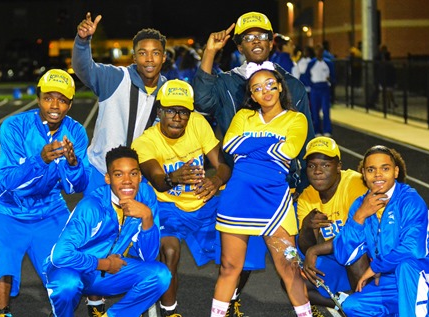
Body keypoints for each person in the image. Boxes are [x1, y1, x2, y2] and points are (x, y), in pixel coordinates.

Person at [193, 12, 315, 316]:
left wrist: (302, 185)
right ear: (238, 45)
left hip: (279, 191)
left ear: (272, 41)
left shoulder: (293, 86)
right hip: (238, 187)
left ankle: (309, 310)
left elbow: (299, 144)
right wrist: (210, 53)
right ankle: (230, 304)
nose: (255, 41)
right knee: (233, 265)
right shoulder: (227, 82)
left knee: (289, 263)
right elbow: (203, 103)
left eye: (261, 35)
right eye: (248, 37)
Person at [210, 63, 312, 317]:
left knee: (289, 266)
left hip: (275, 201)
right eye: (257, 89)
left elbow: (290, 150)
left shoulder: (296, 118)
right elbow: (230, 145)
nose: (264, 91)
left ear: (279, 87)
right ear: (252, 96)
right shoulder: (244, 116)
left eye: (269, 85)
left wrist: (251, 143)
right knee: (229, 267)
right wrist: (272, 140)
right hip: (238, 198)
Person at [0, 69, 90, 317]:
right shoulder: (14, 127)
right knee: (7, 256)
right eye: (48, 97)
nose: (55, 105)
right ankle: (2, 312)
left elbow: (75, 188)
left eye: (62, 99)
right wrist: (40, 159)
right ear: (38, 97)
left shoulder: (75, 133)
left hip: (49, 206)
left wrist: (73, 165)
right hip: (7, 206)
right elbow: (9, 180)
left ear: (70, 103)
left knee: (67, 275)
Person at [132, 79, 231, 317]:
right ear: (159, 112)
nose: (178, 117)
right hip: (168, 206)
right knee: (170, 252)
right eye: (171, 111)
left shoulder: (198, 123)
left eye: (184, 112)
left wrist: (215, 181)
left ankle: (230, 300)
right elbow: (157, 180)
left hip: (203, 203)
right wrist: (174, 177)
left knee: (238, 244)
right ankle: (170, 311)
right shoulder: (145, 141)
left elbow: (223, 165)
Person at [44, 146, 171, 317]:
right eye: (119, 174)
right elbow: (60, 256)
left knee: (160, 275)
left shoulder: (145, 196)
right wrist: (105, 264)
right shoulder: (92, 206)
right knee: (67, 285)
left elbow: (148, 257)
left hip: (104, 273)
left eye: (133, 173)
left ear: (140, 177)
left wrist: (147, 217)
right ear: (108, 178)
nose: (127, 181)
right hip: (72, 269)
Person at [333, 145, 429, 316]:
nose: (378, 174)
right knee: (352, 306)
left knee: (407, 267)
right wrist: (359, 217)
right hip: (395, 281)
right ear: (364, 175)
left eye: (385, 168)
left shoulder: (410, 200)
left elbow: (413, 250)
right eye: (371, 169)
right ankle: (411, 308)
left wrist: (376, 267)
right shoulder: (360, 206)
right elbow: (343, 255)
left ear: (396, 172)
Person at [73, 12, 167, 195]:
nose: (149, 59)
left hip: (140, 178)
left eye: (155, 53)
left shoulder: (169, 92)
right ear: (134, 57)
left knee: (137, 223)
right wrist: (82, 42)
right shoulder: (115, 78)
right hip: (101, 173)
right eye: (142, 53)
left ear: (164, 57)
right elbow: (84, 69)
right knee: (97, 222)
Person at [296, 136, 369, 310]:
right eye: (312, 166)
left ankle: (366, 304)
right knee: (293, 280)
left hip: (366, 264)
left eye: (326, 165)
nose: (317, 171)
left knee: (352, 251)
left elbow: (358, 236)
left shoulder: (355, 183)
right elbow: (306, 248)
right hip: (336, 264)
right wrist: (307, 227)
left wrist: (316, 249)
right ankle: (342, 304)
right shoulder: (306, 197)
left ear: (339, 166)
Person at [304, 44, 336, 137]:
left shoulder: (328, 63)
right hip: (315, 88)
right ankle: (317, 130)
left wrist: (331, 80)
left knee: (326, 110)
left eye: (321, 51)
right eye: (317, 51)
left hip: (325, 88)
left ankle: (327, 130)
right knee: (315, 110)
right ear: (315, 52)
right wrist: (311, 84)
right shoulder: (311, 63)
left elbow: (333, 77)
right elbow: (306, 76)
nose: (319, 53)